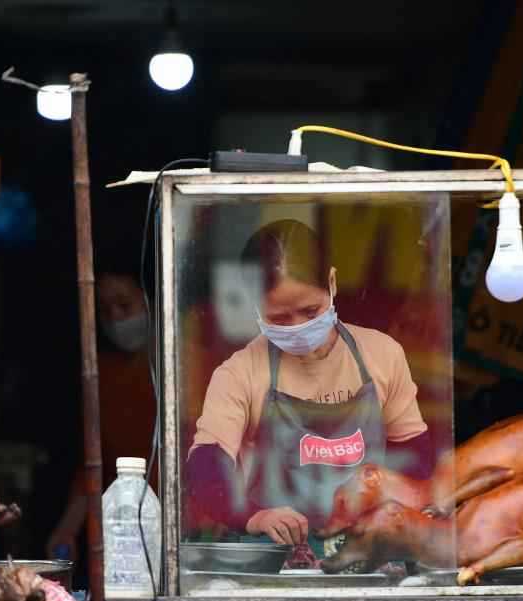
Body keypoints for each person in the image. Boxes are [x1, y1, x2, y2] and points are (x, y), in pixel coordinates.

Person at [184, 219, 433, 549]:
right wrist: (253, 517)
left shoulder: (382, 354)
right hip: (276, 555)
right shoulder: (239, 373)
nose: (298, 328)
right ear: (255, 304)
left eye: (310, 310)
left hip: (369, 547)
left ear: (331, 282)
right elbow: (206, 468)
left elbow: (416, 457)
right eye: (279, 318)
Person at [47, 263, 158, 560]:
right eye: (105, 310)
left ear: (153, 299)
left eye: (124, 305)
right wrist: (67, 529)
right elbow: (92, 466)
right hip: (126, 533)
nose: (116, 318)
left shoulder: (189, 362)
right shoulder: (101, 376)